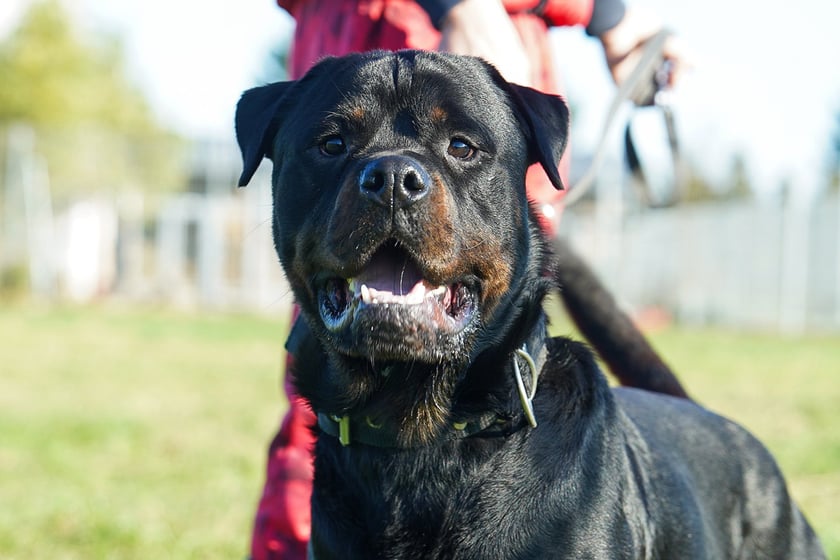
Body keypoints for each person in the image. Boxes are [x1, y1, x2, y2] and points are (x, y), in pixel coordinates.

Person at [249, 1, 687, 558]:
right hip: (391, 24)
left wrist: (606, 14)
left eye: (459, 148)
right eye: (335, 145)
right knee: (329, 414)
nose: (395, 175)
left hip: (493, 62)